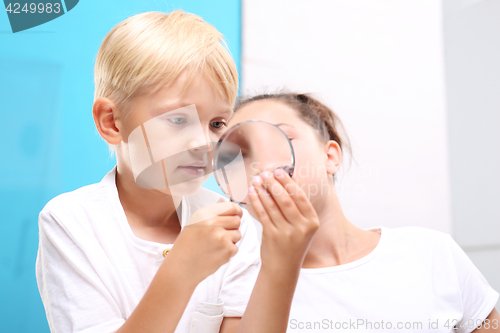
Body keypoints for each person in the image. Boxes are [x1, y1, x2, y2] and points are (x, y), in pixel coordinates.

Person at [35, 11, 317, 333]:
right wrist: (181, 269)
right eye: (178, 120)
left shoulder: (235, 228)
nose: (203, 143)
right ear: (112, 122)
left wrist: (282, 263)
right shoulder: (70, 221)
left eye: (217, 124)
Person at [229, 92, 500, 333]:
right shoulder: (238, 287)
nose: (261, 163)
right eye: (240, 155)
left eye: (281, 138)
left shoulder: (432, 252)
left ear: (330, 157)